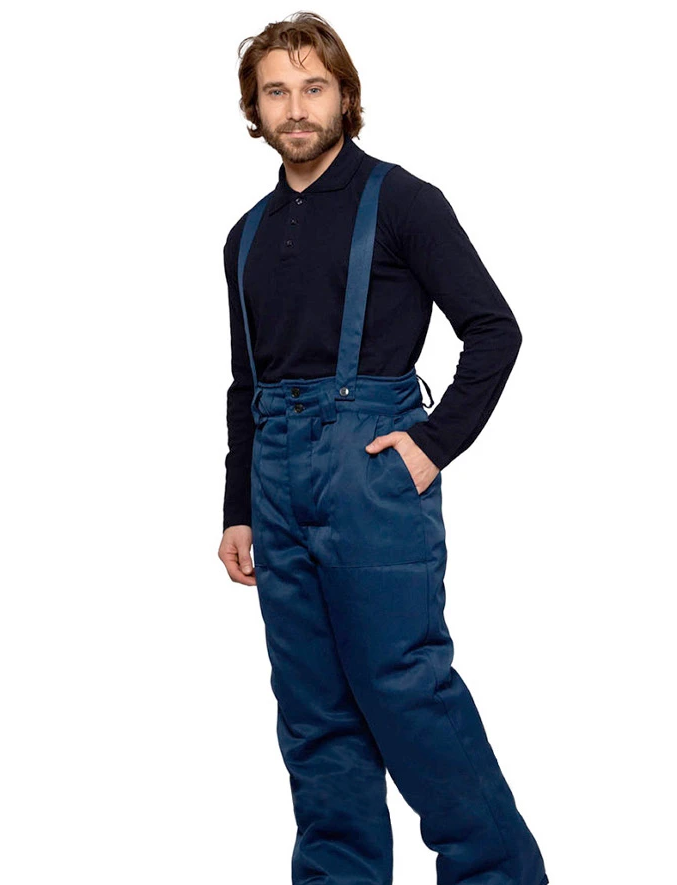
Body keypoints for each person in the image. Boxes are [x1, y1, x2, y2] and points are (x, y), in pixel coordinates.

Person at [217, 12, 549, 885]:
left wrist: (432, 446)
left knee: (406, 690)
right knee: (313, 711)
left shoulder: (402, 201)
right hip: (275, 483)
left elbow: (495, 330)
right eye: (276, 91)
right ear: (255, 107)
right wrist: (237, 509)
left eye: (313, 87)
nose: (296, 108)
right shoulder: (245, 235)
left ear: (344, 96)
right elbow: (246, 384)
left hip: (370, 472)